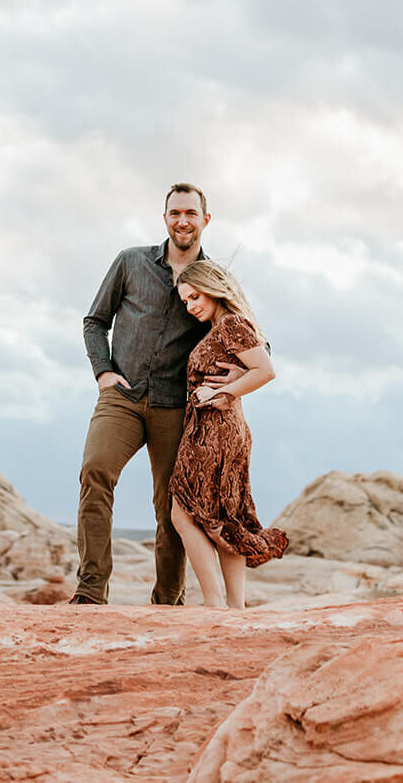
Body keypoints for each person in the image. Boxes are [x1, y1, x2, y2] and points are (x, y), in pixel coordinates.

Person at [73, 183, 244, 605]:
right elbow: (95, 321)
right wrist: (103, 372)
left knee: (172, 506)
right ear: (164, 218)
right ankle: (91, 592)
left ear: (206, 220)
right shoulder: (130, 262)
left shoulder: (214, 277)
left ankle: (168, 600)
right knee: (95, 471)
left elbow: (251, 336)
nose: (182, 221)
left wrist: (231, 381)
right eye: (174, 213)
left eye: (190, 213)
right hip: (123, 395)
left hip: (178, 407)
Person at [169, 260, 287, 609]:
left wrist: (223, 392)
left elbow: (265, 370)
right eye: (185, 301)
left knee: (184, 513)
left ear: (213, 287)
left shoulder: (231, 324)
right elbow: (256, 366)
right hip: (215, 429)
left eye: (195, 296)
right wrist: (232, 387)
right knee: (224, 517)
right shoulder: (221, 327)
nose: (191, 306)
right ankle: (234, 607)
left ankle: (214, 604)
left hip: (215, 431)